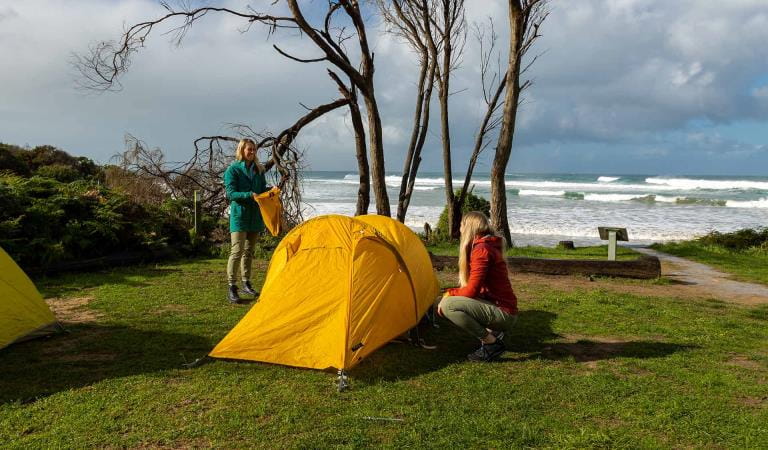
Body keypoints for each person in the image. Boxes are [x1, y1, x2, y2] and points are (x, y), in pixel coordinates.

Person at [438, 211, 518, 362]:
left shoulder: (481, 250)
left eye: (462, 224)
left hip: (504, 313)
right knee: (443, 302)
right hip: (504, 309)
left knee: (448, 305)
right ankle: (493, 331)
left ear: (469, 227)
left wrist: (450, 293)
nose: (460, 228)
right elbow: (478, 290)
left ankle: (491, 343)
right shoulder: (486, 245)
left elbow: (472, 290)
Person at [223, 138, 269, 304]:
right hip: (239, 216)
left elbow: (262, 191)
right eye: (249, 149)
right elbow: (231, 194)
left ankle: (246, 282)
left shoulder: (259, 169)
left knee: (249, 251)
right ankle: (232, 286)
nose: (252, 152)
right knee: (237, 251)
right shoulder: (233, 170)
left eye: (254, 150)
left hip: (255, 216)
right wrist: (248, 194)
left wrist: (272, 192)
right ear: (241, 150)